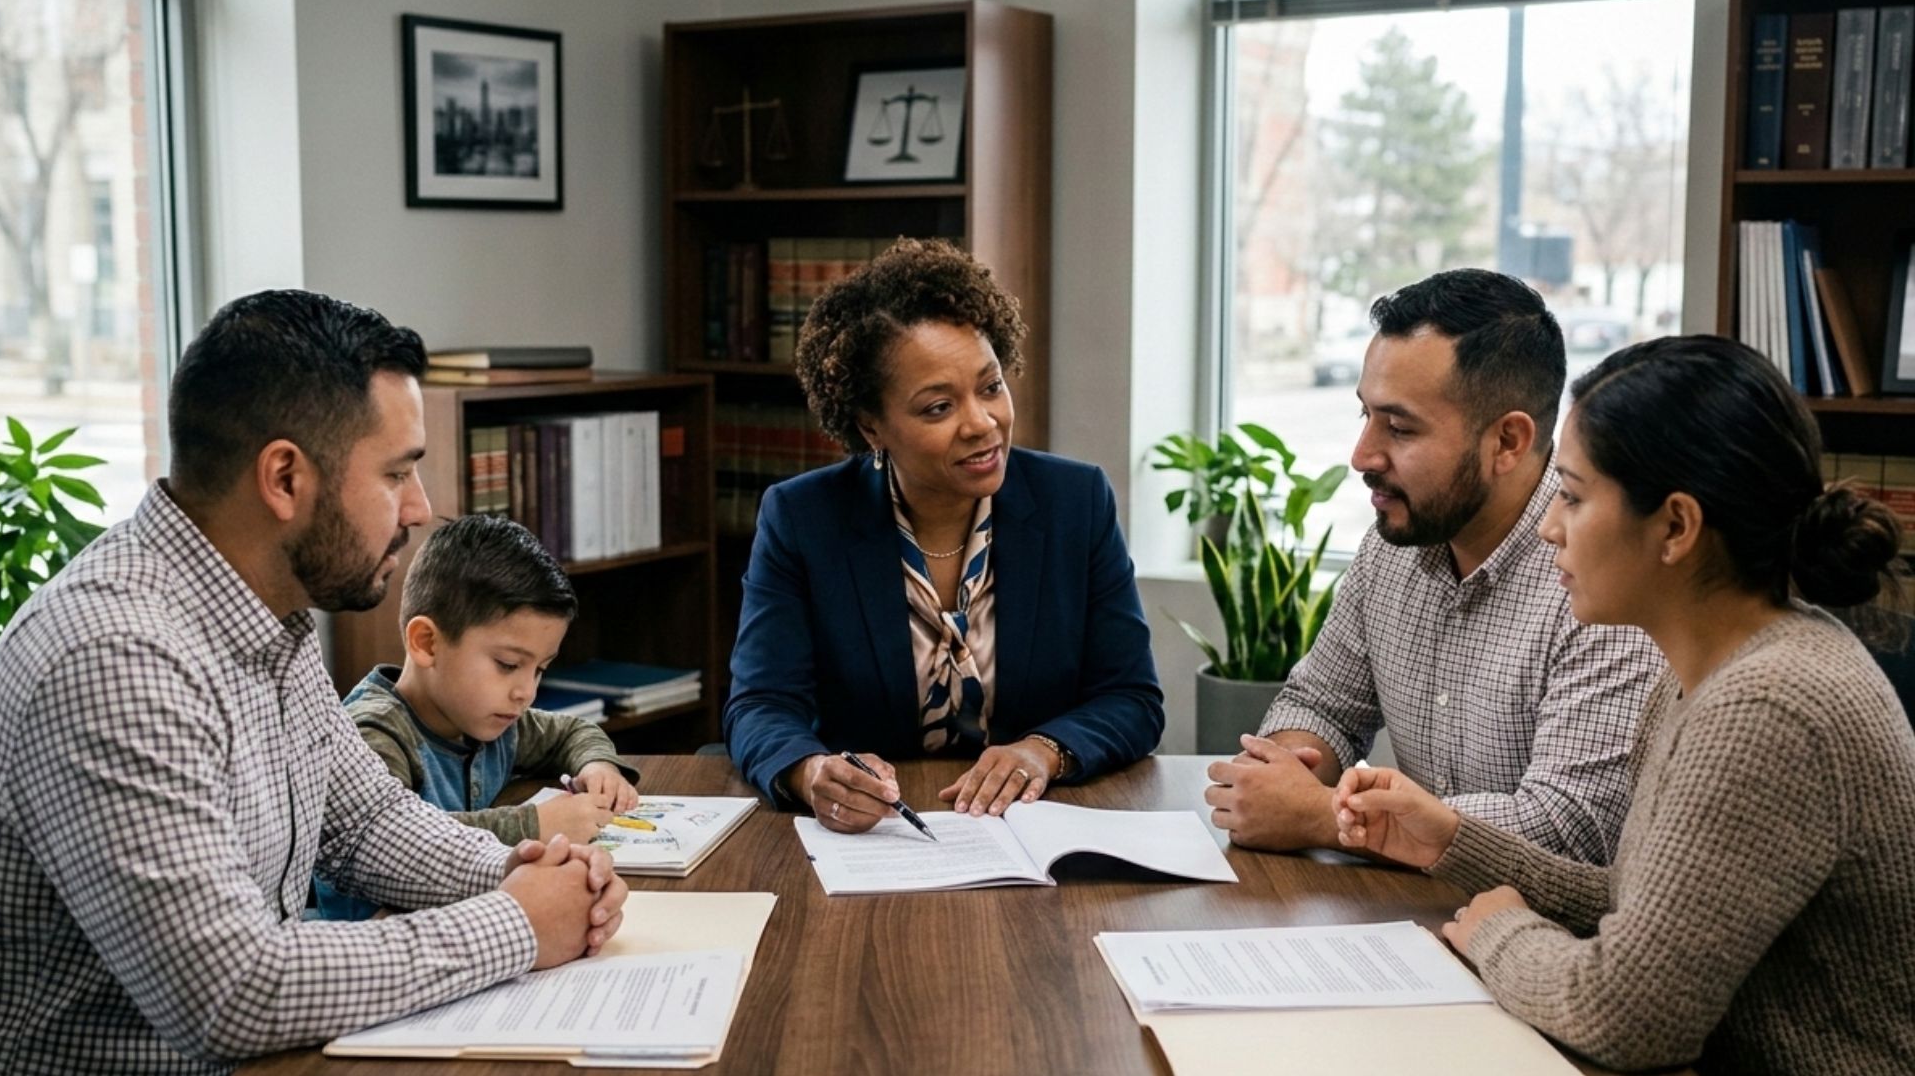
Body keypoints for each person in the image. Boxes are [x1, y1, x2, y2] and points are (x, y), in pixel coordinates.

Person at [0, 290, 627, 1072]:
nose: (421, 510)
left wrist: (527, 873)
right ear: (285, 478)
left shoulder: (268, 614)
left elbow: (365, 823)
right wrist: (518, 924)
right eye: (397, 473)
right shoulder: (116, 658)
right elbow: (232, 991)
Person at [1333, 335, 1915, 1074]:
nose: (1548, 527)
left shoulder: (1770, 707)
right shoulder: (1705, 669)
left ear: (1676, 527)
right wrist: (1450, 840)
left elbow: (1631, 1017)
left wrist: (1500, 932)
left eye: (1572, 497)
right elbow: (1637, 901)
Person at [1206, 269, 1663, 864]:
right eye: (1364, 416)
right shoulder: (1392, 547)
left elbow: (1571, 825)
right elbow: (1320, 704)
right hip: (1409, 918)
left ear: (1507, 442)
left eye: (1398, 427)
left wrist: (1323, 815)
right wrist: (1290, 767)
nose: (1362, 455)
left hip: (1544, 940)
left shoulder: (1602, 574)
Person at [724, 238, 1164, 829]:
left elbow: (1132, 697)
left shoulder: (1075, 502)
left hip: (1040, 826)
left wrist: (1044, 750)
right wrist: (812, 771)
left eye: (990, 387)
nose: (982, 424)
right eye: (938, 407)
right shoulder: (803, 519)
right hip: (874, 838)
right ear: (871, 426)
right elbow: (760, 704)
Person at [314, 514, 640, 921]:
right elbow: (403, 843)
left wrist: (597, 764)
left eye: (539, 669)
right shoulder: (373, 733)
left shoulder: (489, 716)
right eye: (507, 664)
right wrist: (534, 824)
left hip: (473, 914)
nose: (526, 691)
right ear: (427, 643)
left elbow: (570, 732)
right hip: (379, 944)